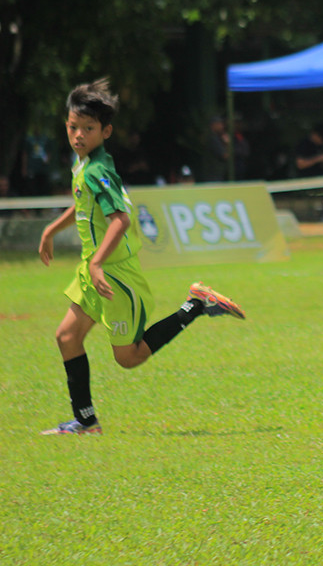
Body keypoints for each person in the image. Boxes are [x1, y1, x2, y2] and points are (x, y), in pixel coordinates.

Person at [37, 78, 246, 435]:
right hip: (93, 271)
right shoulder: (83, 164)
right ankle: (86, 422)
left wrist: (99, 262)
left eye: (88, 129)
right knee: (67, 337)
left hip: (115, 275)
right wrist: (51, 230)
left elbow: (120, 219)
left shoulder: (99, 170)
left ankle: (194, 304)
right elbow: (82, 205)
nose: (78, 136)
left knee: (128, 358)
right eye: (73, 127)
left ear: (106, 131)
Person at [203, 116, 229, 183]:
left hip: (215, 174)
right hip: (214, 175)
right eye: (219, 124)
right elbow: (225, 156)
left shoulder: (215, 137)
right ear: (213, 125)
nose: (222, 126)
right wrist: (227, 143)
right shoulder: (213, 139)